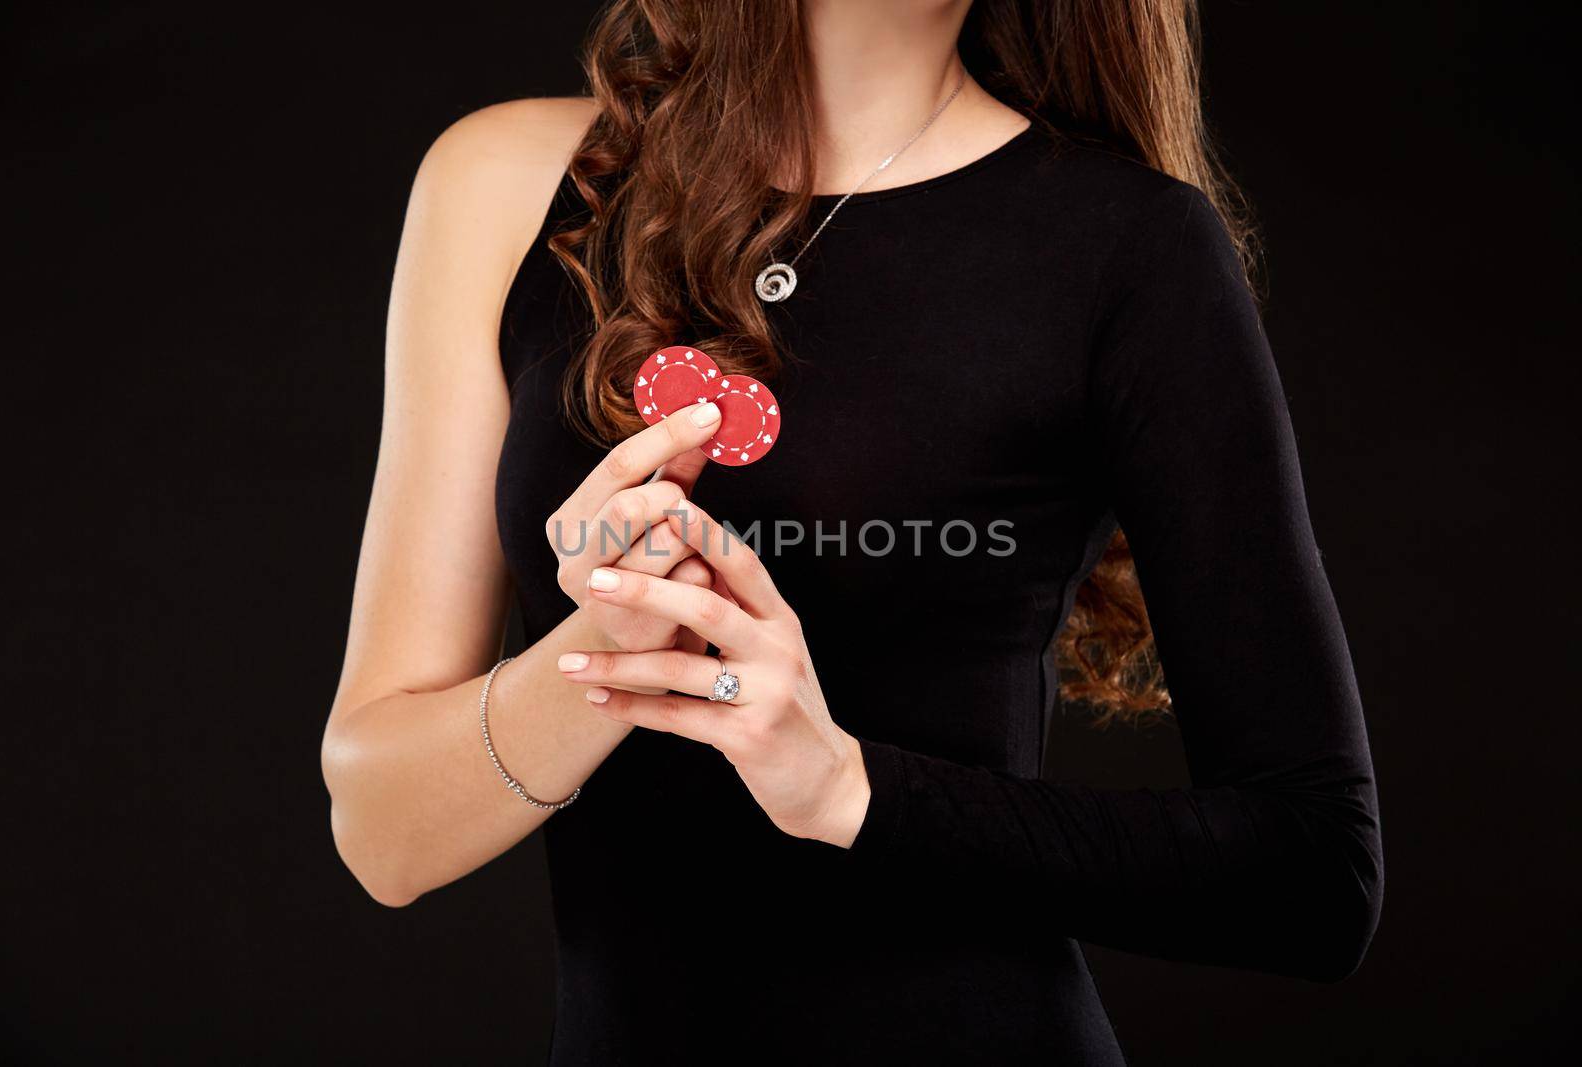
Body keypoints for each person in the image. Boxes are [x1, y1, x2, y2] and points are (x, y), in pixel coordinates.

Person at [321, 1, 1384, 1061]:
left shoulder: (1130, 244)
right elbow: (383, 836)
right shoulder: (507, 184)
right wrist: (608, 655)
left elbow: (1312, 875)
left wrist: (845, 786)